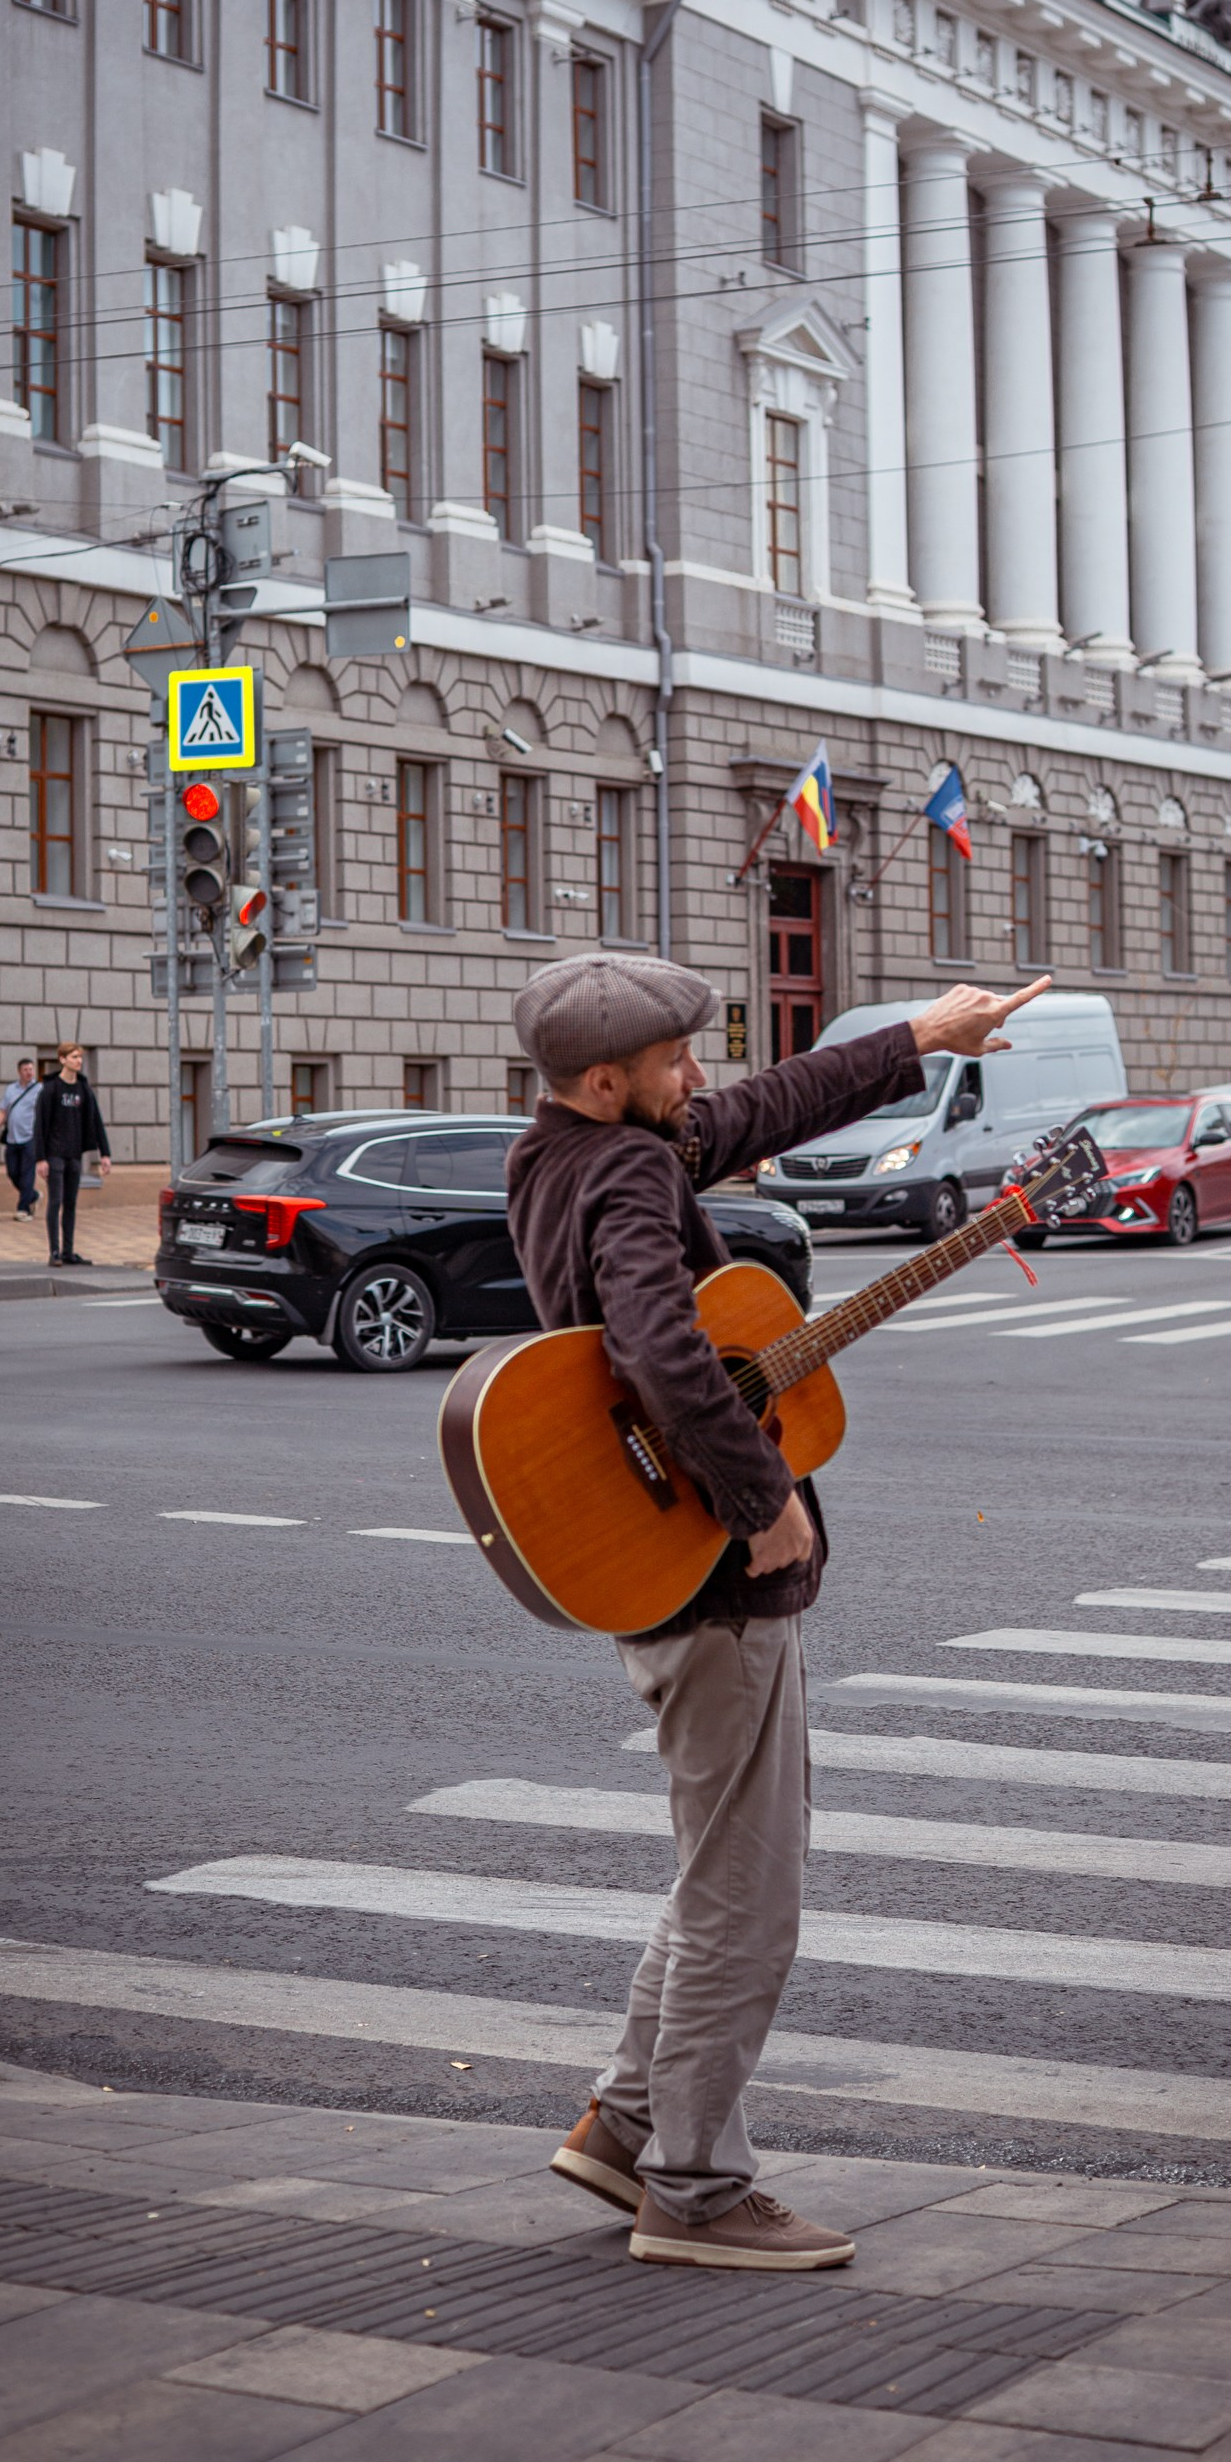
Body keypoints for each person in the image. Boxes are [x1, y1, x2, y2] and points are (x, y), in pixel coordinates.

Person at [507, 950, 1046, 2274]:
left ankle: (628, 2124)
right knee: (750, 1895)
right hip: (702, 1567)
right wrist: (762, 1502)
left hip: (648, 1554)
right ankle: (695, 2189)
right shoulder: (633, 1175)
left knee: (718, 1870)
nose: (700, 1080)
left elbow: (762, 1108)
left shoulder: (564, 1152)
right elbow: (658, 1342)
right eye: (676, 1062)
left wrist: (929, 1031)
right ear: (605, 1079)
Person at [30, 1042, 113, 1264]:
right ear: (62, 1059)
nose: (79, 1061)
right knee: (55, 1201)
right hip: (54, 1155)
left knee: (71, 1203)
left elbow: (96, 1120)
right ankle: (54, 1252)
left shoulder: (83, 1089)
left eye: (80, 1057)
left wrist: (104, 1154)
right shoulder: (51, 1089)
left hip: (74, 1155)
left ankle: (68, 1251)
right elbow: (40, 1125)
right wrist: (40, 1158)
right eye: (74, 1057)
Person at [0, 1057, 42, 1219]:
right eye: (25, 1070)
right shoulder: (11, 1089)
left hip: (30, 1138)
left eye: (31, 1069)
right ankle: (32, 1196)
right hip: (12, 1138)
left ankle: (23, 1209)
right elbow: (3, 1111)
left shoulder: (39, 1089)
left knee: (27, 1173)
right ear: (19, 1072)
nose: (29, 1072)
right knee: (13, 1173)